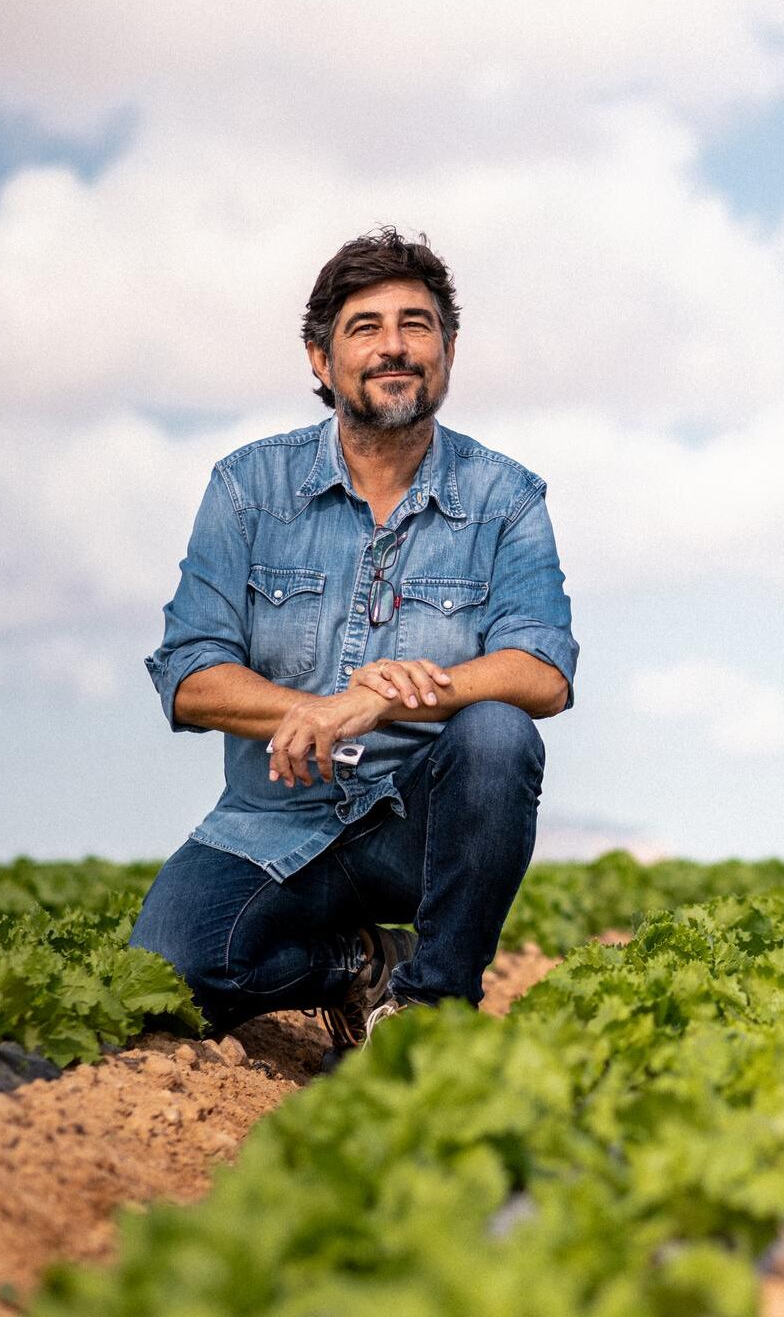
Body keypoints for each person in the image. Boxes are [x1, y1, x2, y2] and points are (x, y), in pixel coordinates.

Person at [130, 228, 577, 1055]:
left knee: (499, 731)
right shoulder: (247, 488)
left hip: (422, 829)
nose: (393, 346)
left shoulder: (506, 498)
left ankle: (431, 1012)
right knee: (169, 974)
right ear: (321, 358)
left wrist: (380, 701)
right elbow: (189, 674)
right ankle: (360, 964)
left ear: (447, 349)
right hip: (273, 823)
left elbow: (543, 670)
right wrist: (318, 711)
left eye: (416, 324)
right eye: (365, 327)